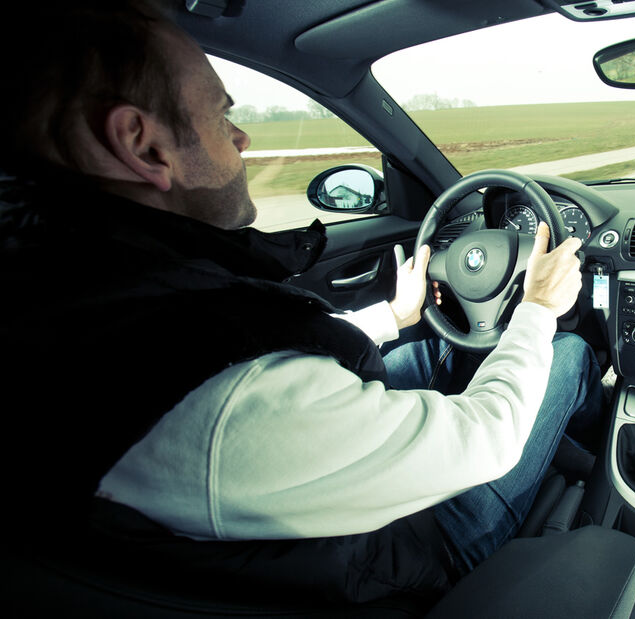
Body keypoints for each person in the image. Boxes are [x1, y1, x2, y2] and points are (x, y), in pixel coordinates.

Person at [0, 0, 602, 605]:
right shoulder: (222, 400)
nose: (241, 136)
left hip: (318, 522)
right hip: (417, 547)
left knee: (431, 359)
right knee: (570, 353)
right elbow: (486, 439)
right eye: (221, 114)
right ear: (142, 144)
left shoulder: (85, 302)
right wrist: (539, 309)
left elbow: (247, 355)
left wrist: (393, 316)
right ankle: (595, 474)